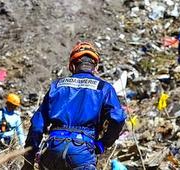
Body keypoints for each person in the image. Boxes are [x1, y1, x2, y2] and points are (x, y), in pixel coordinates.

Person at [22, 42, 127, 170]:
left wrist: (28, 160)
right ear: (95, 66)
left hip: (53, 147)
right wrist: (104, 143)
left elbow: (37, 126)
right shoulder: (104, 88)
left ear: (72, 65)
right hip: (82, 151)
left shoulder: (57, 86)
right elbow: (118, 118)